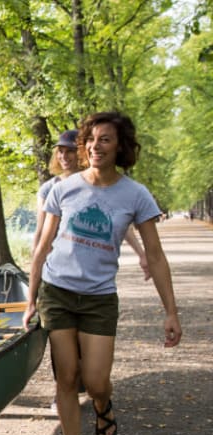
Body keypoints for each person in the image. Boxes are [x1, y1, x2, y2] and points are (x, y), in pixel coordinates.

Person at [23, 111, 182, 435]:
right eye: (91, 139)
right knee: (66, 378)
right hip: (58, 293)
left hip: (98, 298)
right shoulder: (64, 188)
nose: (95, 146)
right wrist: (31, 299)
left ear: (120, 146)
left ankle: (103, 404)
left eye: (105, 139)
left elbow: (156, 256)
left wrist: (171, 311)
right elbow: (43, 246)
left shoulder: (136, 195)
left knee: (95, 381)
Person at [34, 130, 150, 413]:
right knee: (63, 349)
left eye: (69, 150)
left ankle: (92, 388)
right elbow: (41, 234)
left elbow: (117, 226)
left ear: (80, 153)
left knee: (89, 358)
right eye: (59, 151)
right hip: (57, 275)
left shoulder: (100, 184)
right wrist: (35, 270)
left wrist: (141, 252)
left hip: (93, 284)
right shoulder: (50, 188)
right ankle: (64, 389)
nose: (64, 156)